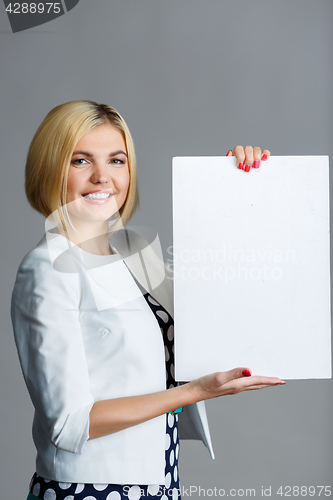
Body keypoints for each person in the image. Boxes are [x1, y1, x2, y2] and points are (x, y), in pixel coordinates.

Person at [11, 100, 285, 500]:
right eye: (81, 160)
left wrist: (238, 187)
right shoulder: (47, 269)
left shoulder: (135, 250)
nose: (103, 177)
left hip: (159, 475)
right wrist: (195, 392)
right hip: (89, 488)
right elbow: (69, 423)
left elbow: (221, 294)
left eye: (116, 160)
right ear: (51, 168)